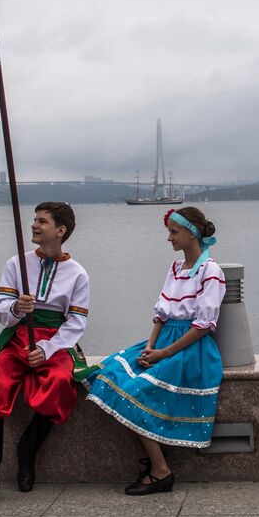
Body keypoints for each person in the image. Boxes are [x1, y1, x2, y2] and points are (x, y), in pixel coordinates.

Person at [84, 206, 224, 495]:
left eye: (174, 232)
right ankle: (154, 458)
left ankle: (161, 470)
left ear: (192, 233)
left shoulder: (211, 271)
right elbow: (160, 315)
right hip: (164, 341)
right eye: (169, 232)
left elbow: (203, 325)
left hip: (190, 348)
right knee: (109, 373)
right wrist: (150, 346)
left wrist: (164, 354)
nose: (169, 238)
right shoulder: (175, 268)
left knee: (135, 391)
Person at [0, 202, 89, 495]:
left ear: (60, 230)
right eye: (34, 219)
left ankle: (27, 451)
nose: (34, 225)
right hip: (18, 335)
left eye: (42, 221)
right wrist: (17, 308)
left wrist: (47, 349)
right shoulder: (15, 263)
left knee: (60, 383)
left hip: (56, 341)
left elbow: (77, 321)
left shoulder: (77, 273)